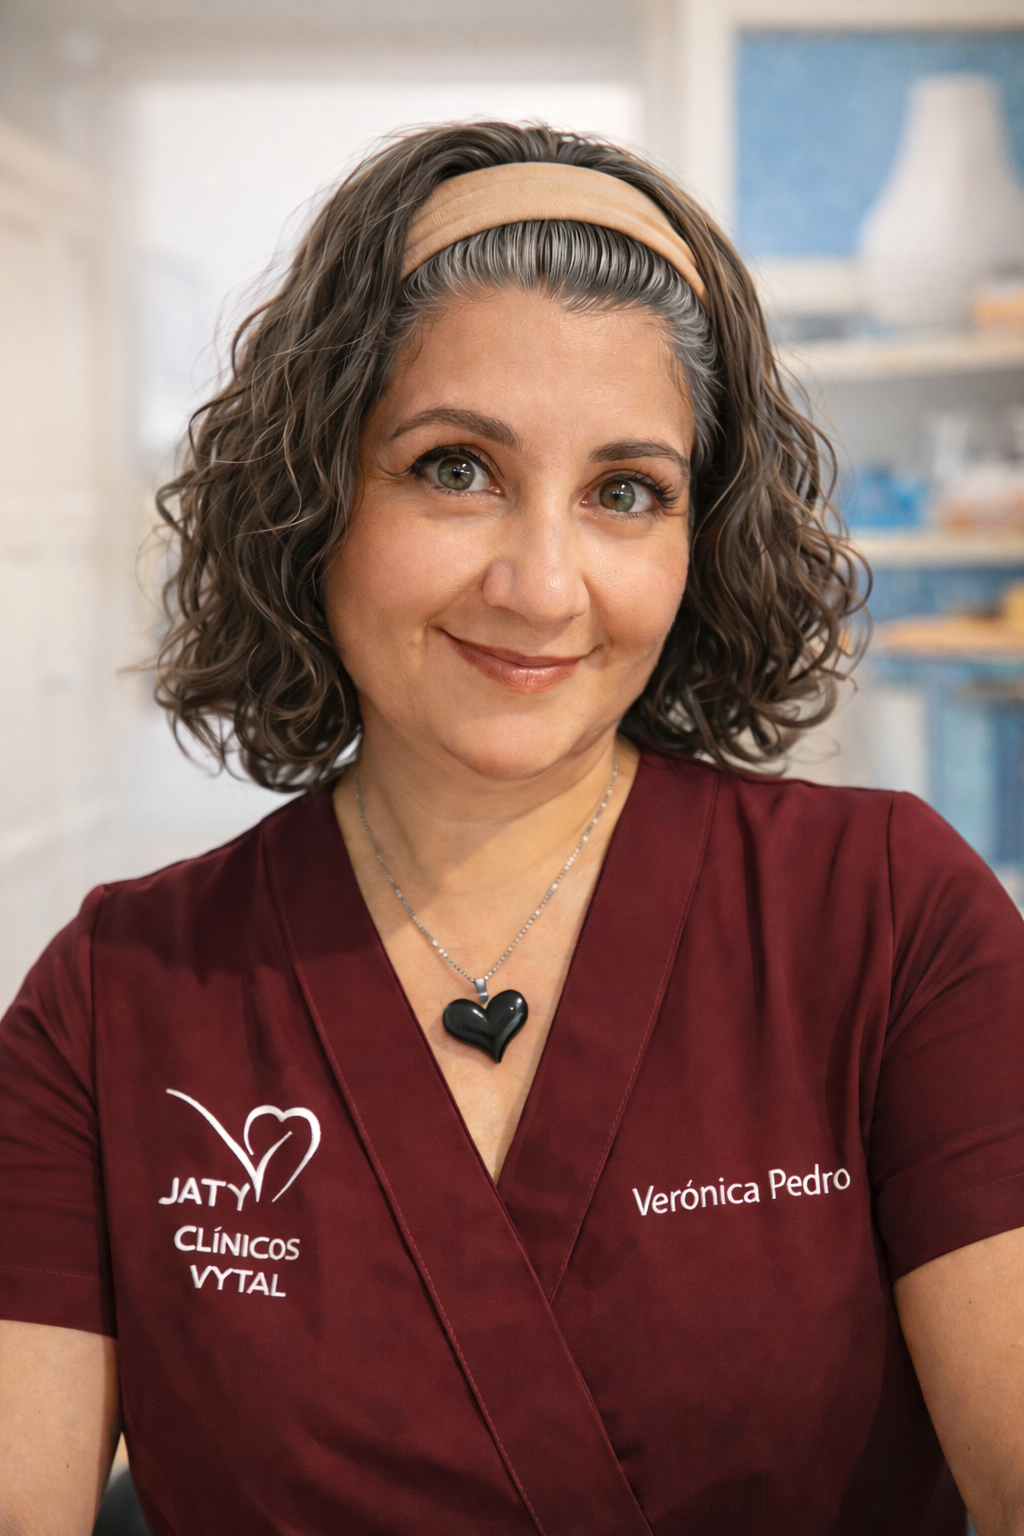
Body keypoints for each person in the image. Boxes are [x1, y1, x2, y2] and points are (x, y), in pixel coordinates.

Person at [1, 122, 1021, 1536]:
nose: (544, 585)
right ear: (317, 496)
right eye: (456, 467)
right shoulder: (118, 1001)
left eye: (625, 493)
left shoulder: (892, 916)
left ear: (697, 539)